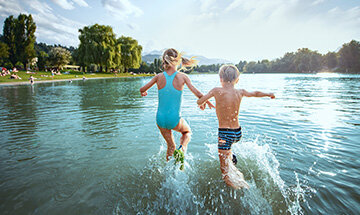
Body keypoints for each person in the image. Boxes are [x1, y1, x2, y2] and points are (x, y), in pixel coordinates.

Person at [197, 64, 275, 189]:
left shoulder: (216, 91)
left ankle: (243, 189)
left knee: (225, 174)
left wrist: (203, 103)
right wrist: (269, 93)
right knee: (228, 152)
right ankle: (231, 160)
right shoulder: (240, 92)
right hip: (237, 133)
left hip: (224, 134)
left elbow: (199, 101)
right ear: (237, 80)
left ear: (220, 79)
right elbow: (255, 93)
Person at [140, 48, 215, 164]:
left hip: (160, 119)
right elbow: (198, 93)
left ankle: (168, 172)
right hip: (174, 119)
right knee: (187, 132)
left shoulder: (158, 76)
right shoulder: (182, 77)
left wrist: (143, 92)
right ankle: (182, 148)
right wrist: (206, 101)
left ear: (164, 61)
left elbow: (142, 89)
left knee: (170, 146)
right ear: (178, 61)